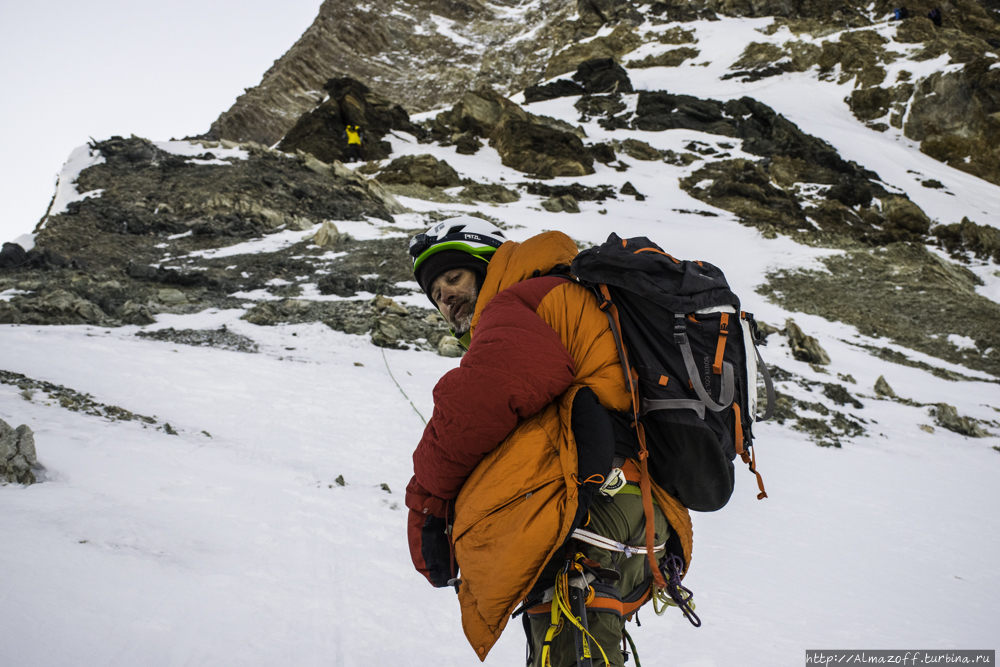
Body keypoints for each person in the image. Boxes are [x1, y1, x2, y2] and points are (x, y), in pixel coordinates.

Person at [404, 216, 693, 666]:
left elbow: (476, 405)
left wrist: (427, 499)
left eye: (454, 278)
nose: (447, 298)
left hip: (589, 514)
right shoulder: (571, 295)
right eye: (436, 294)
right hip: (638, 512)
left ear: (488, 266)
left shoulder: (523, 302)